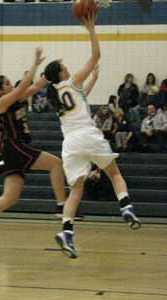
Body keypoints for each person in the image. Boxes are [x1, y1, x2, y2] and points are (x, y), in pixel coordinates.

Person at [44, 14, 141, 259]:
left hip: (70, 144)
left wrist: (95, 79)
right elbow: (96, 55)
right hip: (88, 134)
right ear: (60, 72)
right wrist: (91, 28)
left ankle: (66, 230)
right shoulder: (73, 80)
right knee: (114, 173)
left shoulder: (55, 94)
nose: (67, 66)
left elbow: (80, 99)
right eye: (63, 65)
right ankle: (126, 206)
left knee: (76, 189)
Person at [0, 48, 68, 246]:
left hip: (14, 150)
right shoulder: (1, 103)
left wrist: (50, 71)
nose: (10, 84)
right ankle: (62, 206)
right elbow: (21, 89)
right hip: (15, 146)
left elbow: (37, 86)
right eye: (6, 83)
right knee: (56, 164)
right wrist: (36, 64)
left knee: (10, 197)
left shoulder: (14, 99)